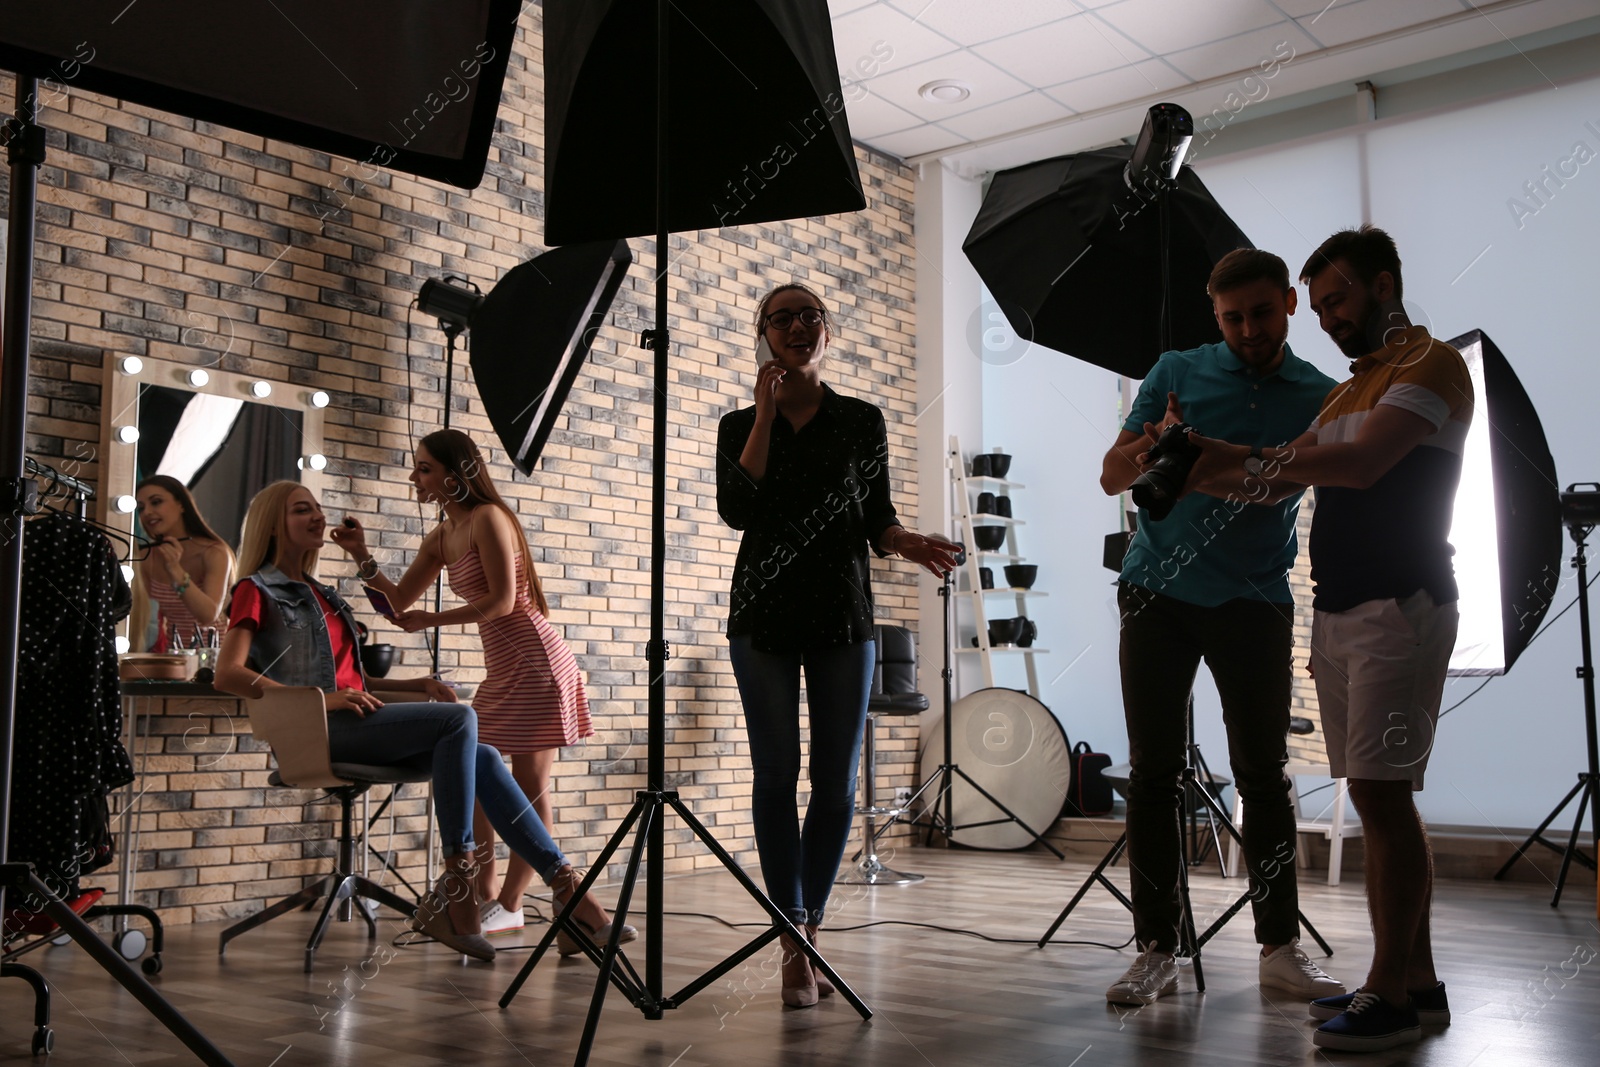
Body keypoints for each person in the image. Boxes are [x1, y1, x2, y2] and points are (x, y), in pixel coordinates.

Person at [1188, 226, 1471, 1052]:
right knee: (1378, 791)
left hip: (1403, 606)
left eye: (1338, 299)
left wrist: (1243, 463)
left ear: (1385, 283)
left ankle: (1386, 991)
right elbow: (1281, 466)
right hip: (1342, 609)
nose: (1327, 319)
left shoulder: (1428, 368)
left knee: (1384, 796)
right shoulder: (1351, 388)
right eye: (1317, 307)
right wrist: (1194, 458)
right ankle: (1414, 981)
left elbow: (1358, 467)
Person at [214, 480, 626, 963]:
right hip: (315, 733)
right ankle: (460, 889)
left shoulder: (322, 594)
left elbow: (357, 680)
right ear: (272, 525)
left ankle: (566, 890)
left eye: (317, 509)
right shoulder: (255, 588)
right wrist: (320, 701)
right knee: (460, 721)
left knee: (483, 752)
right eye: (302, 511)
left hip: (351, 722)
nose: (318, 517)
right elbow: (229, 674)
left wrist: (416, 685)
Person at [1097, 248, 1343, 1009]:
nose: (1248, 330)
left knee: (1264, 776)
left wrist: (1202, 464)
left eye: (1262, 313)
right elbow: (1113, 473)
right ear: (1215, 316)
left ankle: (1279, 949)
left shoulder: (1319, 394)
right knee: (1152, 774)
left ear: (1289, 307)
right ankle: (1156, 949)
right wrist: (1156, 443)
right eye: (1233, 318)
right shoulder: (1174, 369)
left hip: (1256, 600)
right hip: (1155, 594)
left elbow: (1287, 485)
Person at [716, 282, 960, 1008]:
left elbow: (875, 515)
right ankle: (791, 932)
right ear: (764, 333)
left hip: (842, 612)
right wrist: (764, 415)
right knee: (773, 775)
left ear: (828, 332)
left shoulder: (861, 420)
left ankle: (807, 928)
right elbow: (738, 508)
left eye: (811, 315)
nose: (799, 325)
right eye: (783, 317)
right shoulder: (739, 423)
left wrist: (904, 539)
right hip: (762, 612)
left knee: (835, 781)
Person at [329, 429, 608, 947]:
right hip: (502, 671)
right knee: (478, 772)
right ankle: (496, 892)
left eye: (424, 468)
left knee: (529, 786)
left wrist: (430, 619)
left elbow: (503, 602)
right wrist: (361, 555)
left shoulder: (489, 519)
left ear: (454, 477)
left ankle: (512, 905)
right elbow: (398, 604)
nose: (415, 477)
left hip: (539, 664)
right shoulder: (441, 537)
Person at [131, 475, 234, 651]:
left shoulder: (214, 552)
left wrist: (175, 571)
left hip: (212, 659)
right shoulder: (147, 557)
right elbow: (144, 622)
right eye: (140, 508)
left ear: (181, 504)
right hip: (171, 662)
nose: (147, 512)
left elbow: (208, 615)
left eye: (156, 502)